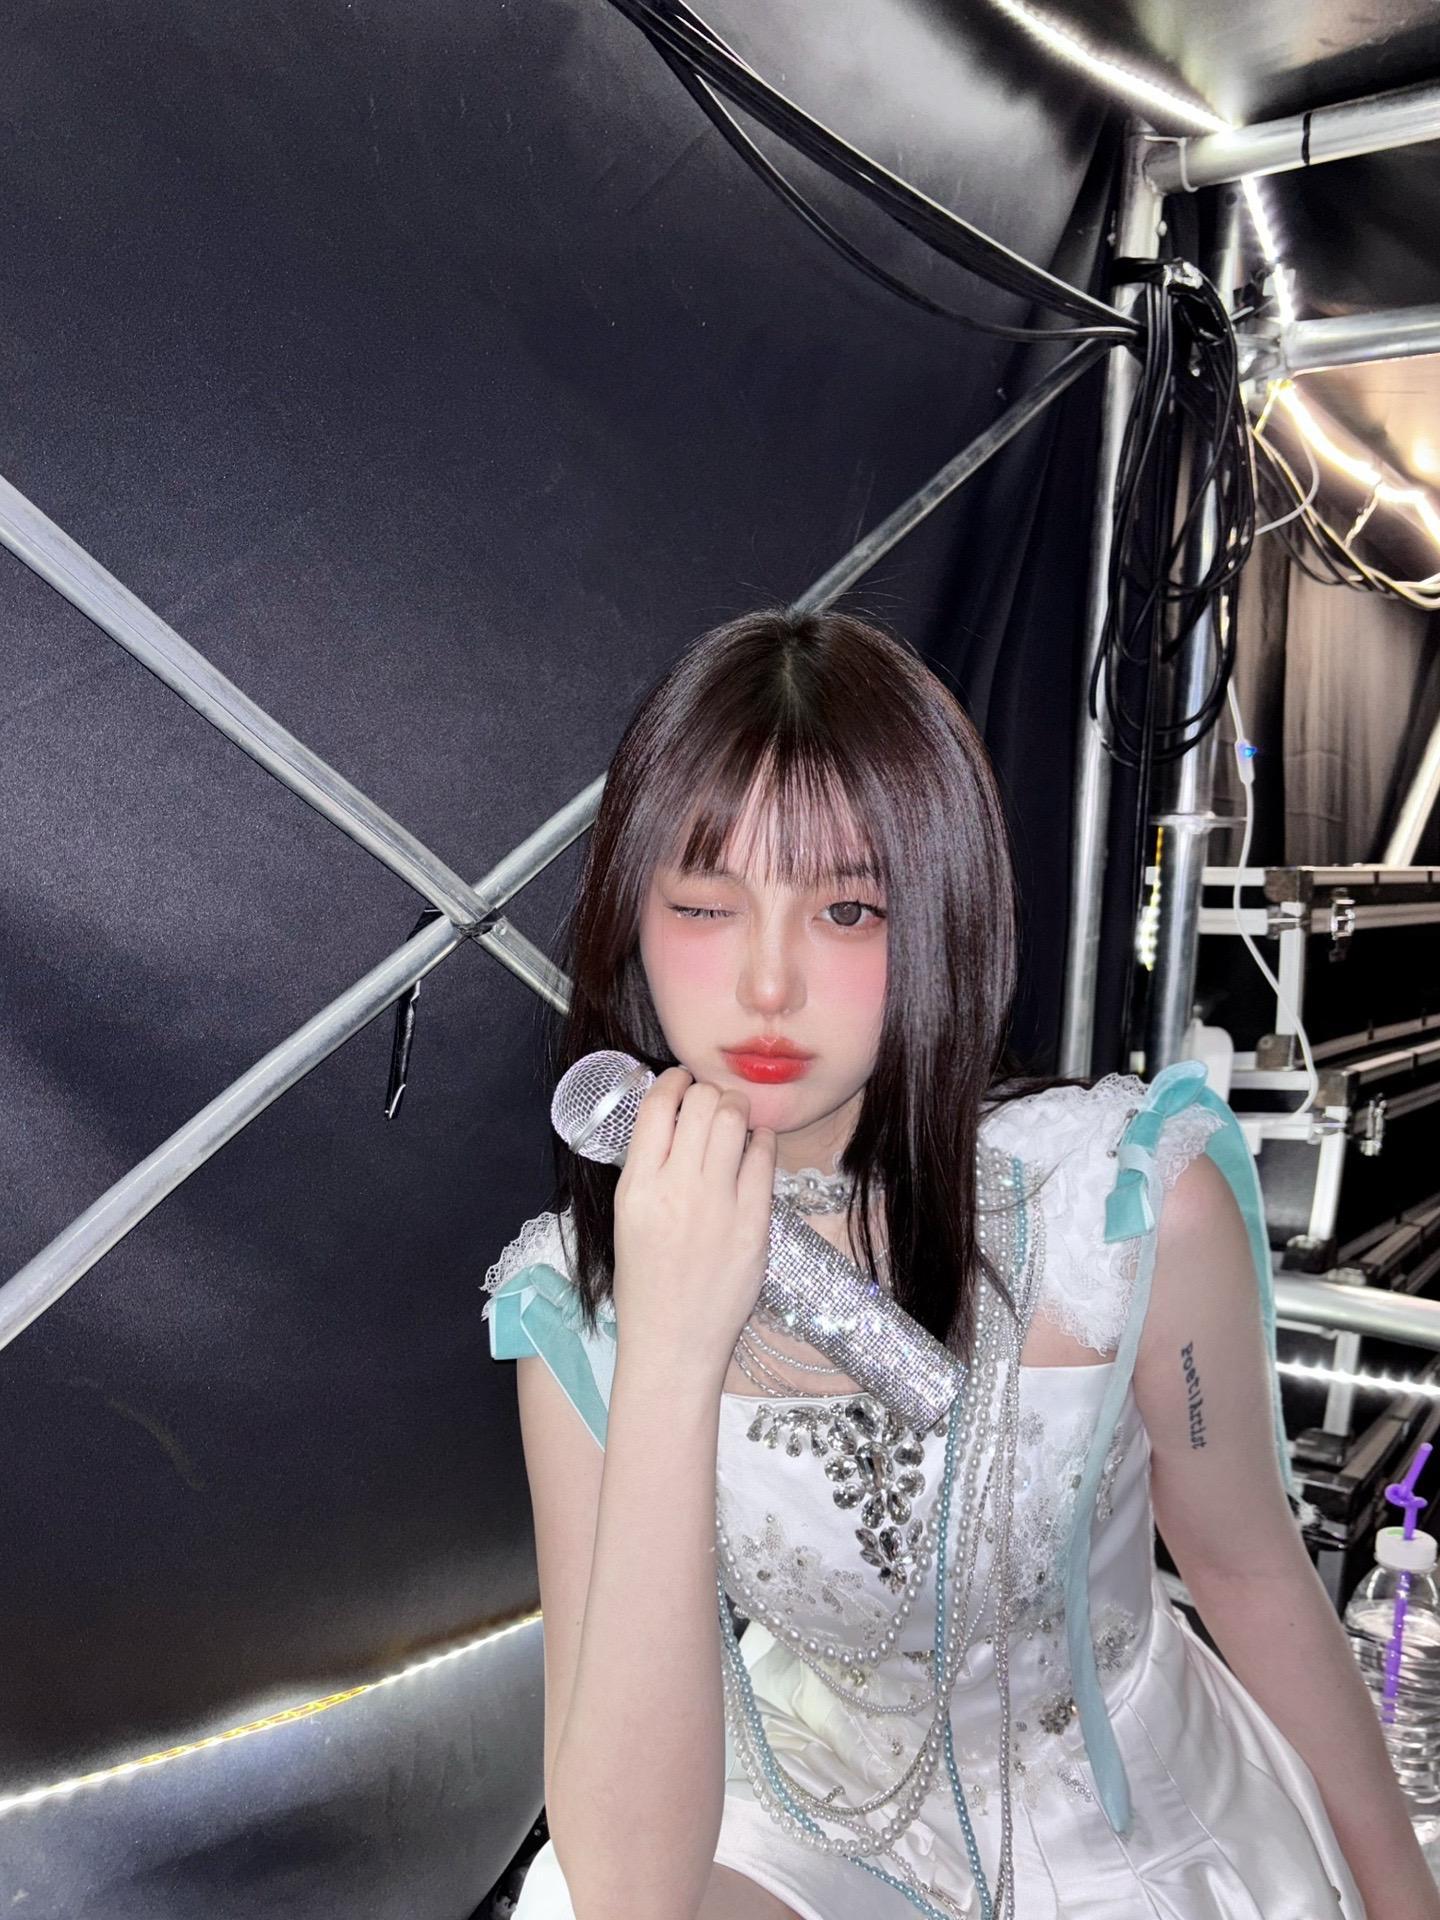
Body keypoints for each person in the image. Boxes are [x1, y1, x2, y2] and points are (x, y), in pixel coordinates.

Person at [482, 607, 1437, 1919]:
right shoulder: (573, 1301)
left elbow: (1250, 1568)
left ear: (939, 913)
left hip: (1114, 1822)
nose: (767, 985)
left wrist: (1404, 1901)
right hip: (795, 1815)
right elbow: (632, 1893)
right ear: (632, 922)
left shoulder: (1118, 1207)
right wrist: (670, 1353)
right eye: (705, 904)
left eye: (847, 909)